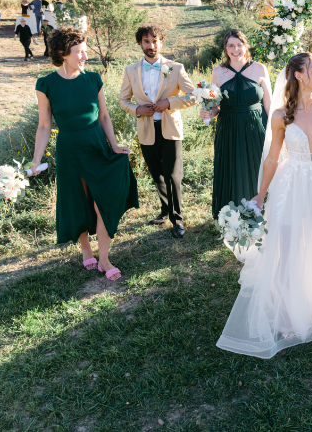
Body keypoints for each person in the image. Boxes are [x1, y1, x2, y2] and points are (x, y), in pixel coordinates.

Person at [217, 53, 312, 359]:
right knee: (287, 247)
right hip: (291, 184)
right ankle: (286, 314)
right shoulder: (281, 115)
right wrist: (260, 195)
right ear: (298, 75)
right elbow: (272, 158)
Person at [31, 27, 138, 280]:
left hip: (97, 147)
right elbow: (44, 126)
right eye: (79, 52)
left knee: (104, 202)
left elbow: (104, 116)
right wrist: (36, 159)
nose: (85, 57)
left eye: (85, 51)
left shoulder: (93, 79)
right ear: (62, 53)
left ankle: (104, 259)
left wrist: (114, 145)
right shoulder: (46, 84)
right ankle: (86, 250)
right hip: (70, 150)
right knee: (79, 201)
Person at [119, 25, 197, 239]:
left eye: (155, 41)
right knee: (157, 174)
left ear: (161, 42)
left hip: (170, 128)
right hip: (146, 129)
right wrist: (137, 110)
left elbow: (194, 95)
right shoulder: (130, 70)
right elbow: (123, 100)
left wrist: (170, 102)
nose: (151, 45)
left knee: (173, 175)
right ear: (140, 43)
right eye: (146, 41)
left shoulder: (176, 68)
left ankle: (177, 220)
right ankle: (165, 210)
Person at [200, 29, 272, 218]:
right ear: (225, 48)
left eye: (239, 45)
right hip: (229, 129)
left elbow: (269, 105)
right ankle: (232, 216)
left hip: (256, 127)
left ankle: (260, 212)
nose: (235, 49)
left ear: (245, 46)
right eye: (231, 45)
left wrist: (276, 132)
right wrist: (207, 112)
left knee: (257, 169)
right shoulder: (218, 72)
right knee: (233, 169)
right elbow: (215, 107)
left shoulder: (260, 69)